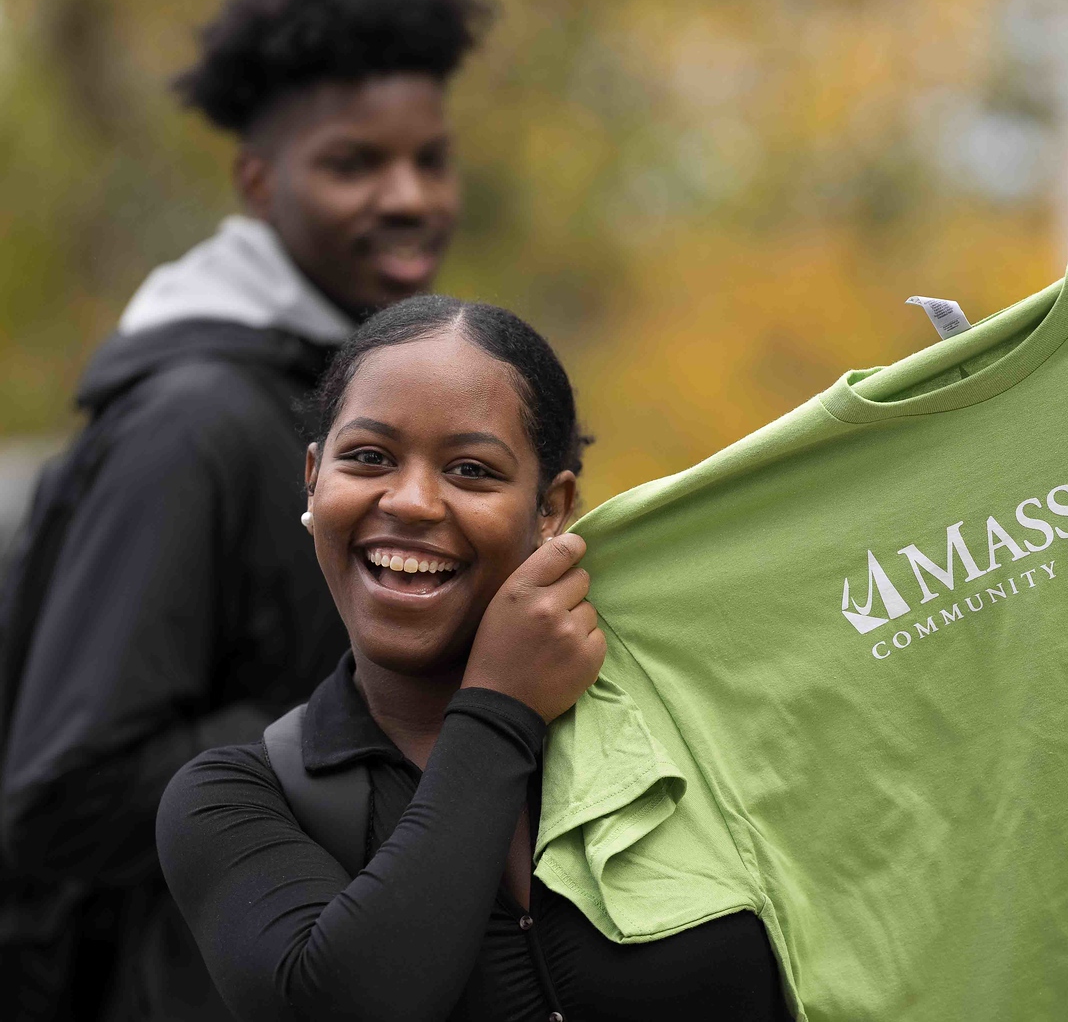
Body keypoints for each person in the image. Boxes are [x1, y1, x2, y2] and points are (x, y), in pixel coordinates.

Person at [0, 0, 489, 1018]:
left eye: (431, 159)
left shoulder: (351, 392)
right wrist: (394, 710)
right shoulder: (193, 424)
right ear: (262, 184)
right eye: (356, 163)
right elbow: (62, 795)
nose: (409, 197)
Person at [156, 297, 789, 1021]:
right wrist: (499, 709)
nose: (414, 501)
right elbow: (347, 1004)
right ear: (313, 477)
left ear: (551, 508)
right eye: (368, 457)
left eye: (470, 469)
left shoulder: (686, 720)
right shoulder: (230, 799)